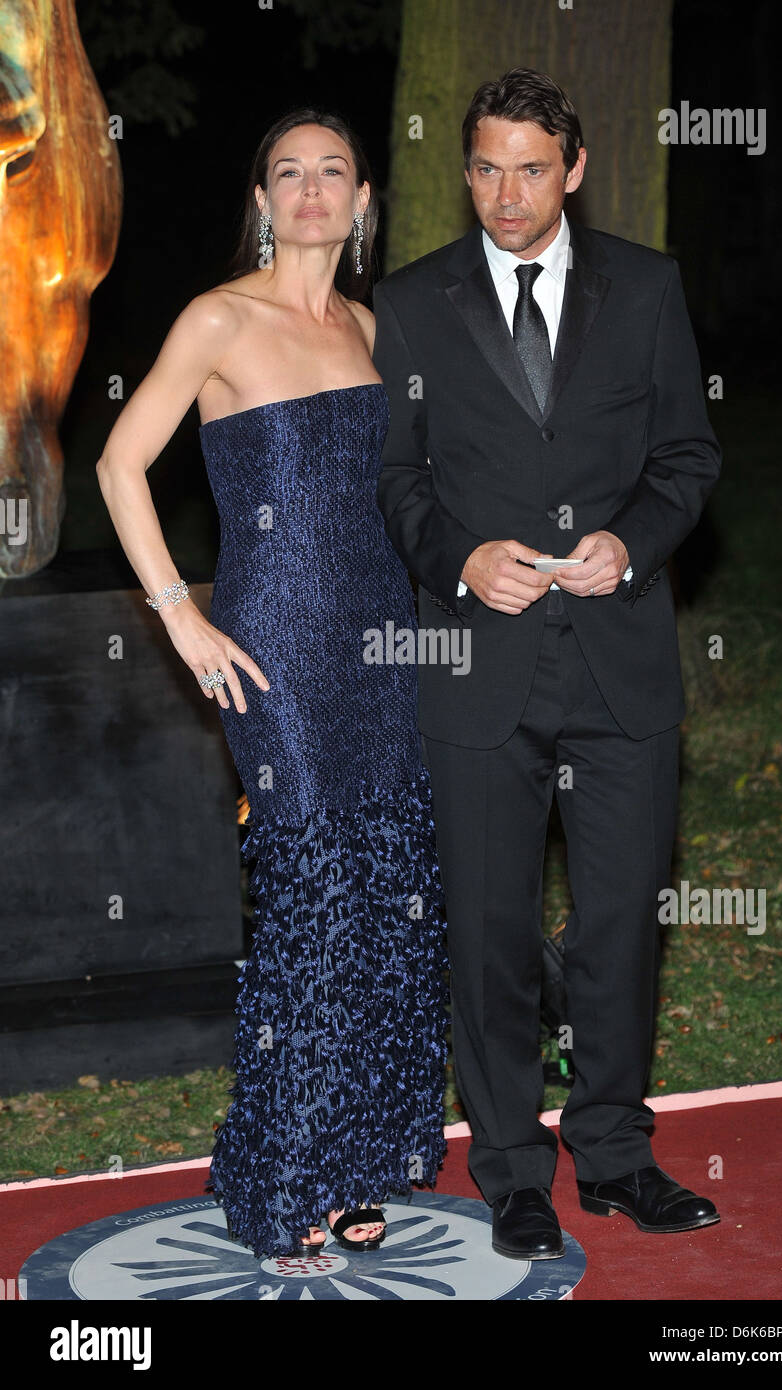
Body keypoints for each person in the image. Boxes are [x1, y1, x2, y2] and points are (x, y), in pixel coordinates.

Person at [372, 67, 722, 1260]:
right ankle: (513, 1165)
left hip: (620, 662)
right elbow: (397, 479)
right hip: (479, 665)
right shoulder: (414, 302)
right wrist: (461, 559)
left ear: (572, 168)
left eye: (530, 167)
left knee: (622, 921)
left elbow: (689, 454)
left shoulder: (649, 287)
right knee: (490, 928)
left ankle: (617, 1154)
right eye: (484, 167)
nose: (505, 194)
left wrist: (635, 541)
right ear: (463, 168)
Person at [96, 109, 448, 1259]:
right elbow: (119, 462)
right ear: (261, 198)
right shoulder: (218, 317)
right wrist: (178, 613)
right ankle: (277, 1180)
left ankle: (356, 1161)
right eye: (287, 171)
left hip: (385, 645)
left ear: (361, 203)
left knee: (388, 900)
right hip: (276, 651)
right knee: (310, 904)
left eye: (332, 172)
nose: (309, 190)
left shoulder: (373, 327)